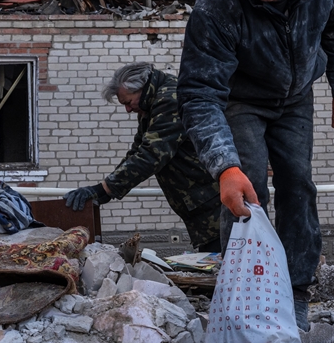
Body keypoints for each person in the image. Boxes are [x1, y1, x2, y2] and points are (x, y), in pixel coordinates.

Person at [177, 0, 334, 332]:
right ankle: (247, 295)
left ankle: (296, 292)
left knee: (298, 184)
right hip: (241, 99)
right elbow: (199, 94)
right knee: (248, 190)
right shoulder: (217, 3)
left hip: (296, 97)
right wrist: (225, 167)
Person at [64, 62, 222, 252]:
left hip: (215, 201)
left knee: (222, 261)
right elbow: (137, 151)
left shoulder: (170, 99)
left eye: (128, 102)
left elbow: (152, 154)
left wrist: (103, 188)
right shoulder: (151, 103)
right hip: (204, 203)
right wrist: (107, 190)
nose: (128, 110)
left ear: (142, 89)